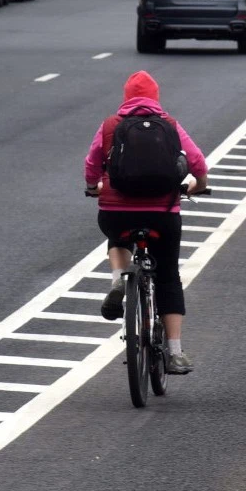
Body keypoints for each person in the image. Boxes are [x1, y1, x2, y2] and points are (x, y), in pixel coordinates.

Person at [84, 71, 208, 374]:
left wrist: (92, 187)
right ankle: (175, 353)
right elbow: (197, 162)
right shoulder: (170, 125)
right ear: (156, 97)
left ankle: (118, 282)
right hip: (162, 213)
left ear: (126, 97)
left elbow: (91, 163)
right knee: (168, 276)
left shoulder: (111, 125)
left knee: (117, 237)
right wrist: (199, 185)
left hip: (116, 212)